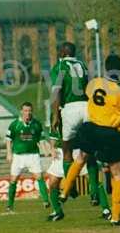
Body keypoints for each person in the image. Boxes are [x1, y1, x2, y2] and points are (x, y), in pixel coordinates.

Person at [60, 54, 120, 226]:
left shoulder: (94, 83)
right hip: (109, 133)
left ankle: (64, 191)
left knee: (80, 159)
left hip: (91, 128)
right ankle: (116, 217)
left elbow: (88, 94)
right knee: (117, 174)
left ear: (106, 68)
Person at [50, 42, 88, 198]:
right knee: (89, 151)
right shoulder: (83, 65)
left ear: (63, 52)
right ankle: (94, 194)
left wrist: (55, 114)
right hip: (86, 107)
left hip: (70, 108)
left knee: (67, 151)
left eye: (59, 50)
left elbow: (57, 91)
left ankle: (69, 186)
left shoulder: (59, 67)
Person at [5, 102, 49, 212]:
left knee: (39, 177)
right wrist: (9, 153)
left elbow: (42, 139)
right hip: (18, 156)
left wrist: (45, 150)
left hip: (33, 155)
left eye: (29, 111)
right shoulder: (14, 124)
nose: (28, 113)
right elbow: (8, 140)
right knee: (13, 180)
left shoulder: (37, 124)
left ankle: (46, 201)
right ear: (21, 111)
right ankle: (10, 205)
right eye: (25, 111)